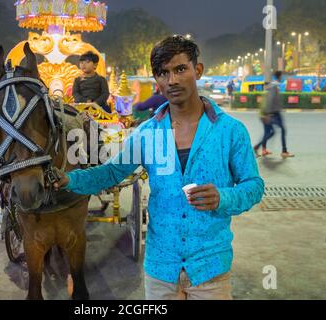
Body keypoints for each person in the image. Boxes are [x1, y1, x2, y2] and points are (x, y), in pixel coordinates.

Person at [53, 35, 264, 300]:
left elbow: (253, 186)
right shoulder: (147, 134)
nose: (172, 80)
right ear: (157, 81)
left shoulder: (230, 131)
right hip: (161, 270)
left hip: (211, 268)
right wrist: (69, 180)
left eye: (180, 69)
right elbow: (110, 173)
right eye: (163, 73)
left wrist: (224, 197)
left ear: (197, 70)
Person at [255, 71, 294, 159]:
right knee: (282, 130)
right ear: (279, 76)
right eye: (282, 76)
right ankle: (284, 151)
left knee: (268, 132)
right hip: (274, 113)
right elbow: (270, 100)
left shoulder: (272, 86)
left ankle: (258, 148)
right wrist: (268, 114)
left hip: (268, 113)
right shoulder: (274, 86)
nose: (283, 77)